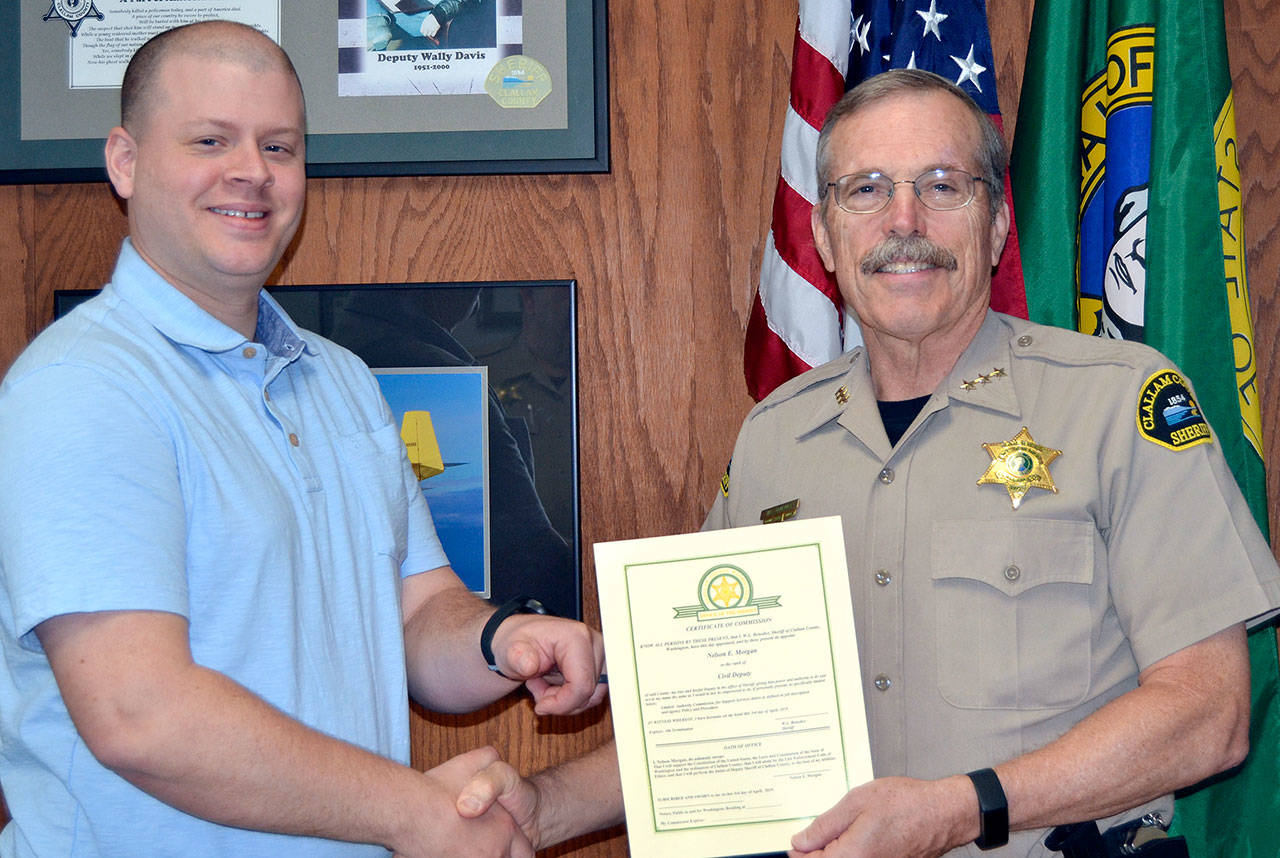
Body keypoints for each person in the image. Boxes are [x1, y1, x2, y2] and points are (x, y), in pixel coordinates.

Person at [460, 69, 1280, 857]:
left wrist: (961, 810)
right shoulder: (773, 440)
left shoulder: (1116, 404)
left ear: (996, 225)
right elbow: (709, 723)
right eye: (866, 190)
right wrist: (542, 809)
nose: (903, 221)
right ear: (822, 234)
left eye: (942, 186)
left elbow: (1208, 715)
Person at [0, 20, 605, 858]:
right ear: (125, 161)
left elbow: (419, 614)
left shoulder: (342, 381)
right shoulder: (85, 386)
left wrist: (503, 640)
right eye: (210, 140)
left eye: (279, 146)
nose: (251, 172)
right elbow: (140, 715)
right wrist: (411, 813)